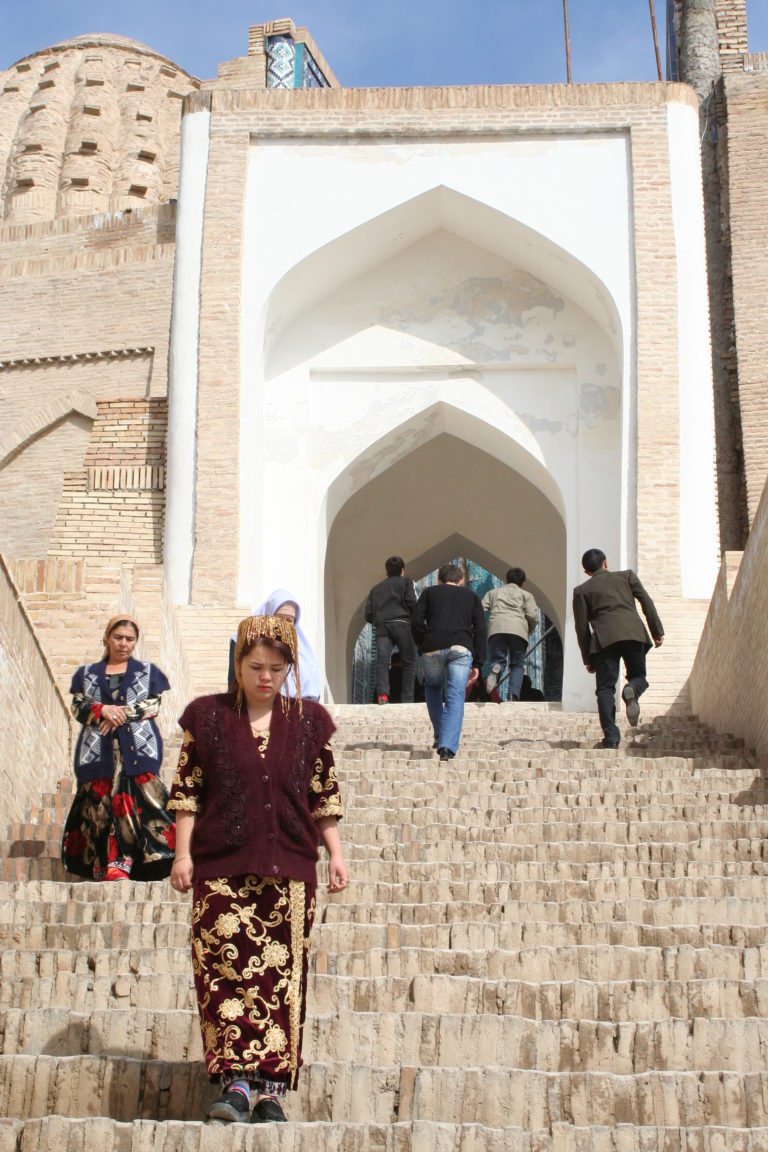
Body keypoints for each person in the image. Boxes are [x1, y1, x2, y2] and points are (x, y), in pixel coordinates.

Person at [169, 614, 348, 1125]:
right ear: (238, 665)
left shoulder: (311, 721)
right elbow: (187, 792)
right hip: (221, 869)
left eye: (275, 668)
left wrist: (335, 853)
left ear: (289, 668)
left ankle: (271, 1089)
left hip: (290, 870)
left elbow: (324, 794)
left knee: (281, 978)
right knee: (225, 971)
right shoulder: (206, 718)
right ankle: (235, 1083)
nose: (264, 677)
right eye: (254, 666)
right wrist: (183, 854)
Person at [61, 615, 174, 881]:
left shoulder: (148, 673)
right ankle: (104, 862)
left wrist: (119, 713)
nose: (123, 644)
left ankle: (129, 861)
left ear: (135, 642)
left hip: (136, 748)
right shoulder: (87, 675)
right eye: (118, 637)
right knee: (98, 802)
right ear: (107, 638)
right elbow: (78, 708)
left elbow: (153, 706)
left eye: (129, 639)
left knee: (136, 799)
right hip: (98, 750)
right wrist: (102, 710)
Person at [572, 548, 664, 748]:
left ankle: (611, 738)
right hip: (633, 633)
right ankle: (632, 689)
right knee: (639, 676)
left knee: (605, 689)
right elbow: (646, 602)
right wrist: (656, 630)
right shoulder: (627, 576)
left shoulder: (581, 590)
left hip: (604, 640)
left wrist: (588, 658)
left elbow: (581, 629)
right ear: (605, 563)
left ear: (587, 572)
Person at [411, 564, 487, 761]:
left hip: (432, 648)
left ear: (438, 580)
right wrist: (478, 662)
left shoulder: (429, 593)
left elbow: (417, 622)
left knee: (433, 688)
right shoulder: (471, 597)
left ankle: (439, 732)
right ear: (461, 580)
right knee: (455, 695)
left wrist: (422, 644)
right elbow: (480, 629)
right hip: (461, 649)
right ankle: (446, 747)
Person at [227, 589, 322, 701]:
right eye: (279, 618)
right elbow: (235, 683)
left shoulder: (303, 653)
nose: (283, 625)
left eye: (289, 620)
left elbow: (311, 693)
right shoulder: (244, 641)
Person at [365, 556, 418, 704]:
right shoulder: (407, 582)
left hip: (382, 627)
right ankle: (407, 699)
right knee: (408, 662)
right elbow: (412, 603)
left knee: (382, 661)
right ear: (402, 570)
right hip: (402, 624)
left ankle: (382, 695)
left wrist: (380, 621)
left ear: (386, 571)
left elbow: (368, 614)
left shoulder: (375, 589)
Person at [482, 567, 538, 701]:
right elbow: (532, 616)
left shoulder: (493, 593)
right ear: (523, 583)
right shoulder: (527, 595)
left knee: (498, 660)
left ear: (506, 580)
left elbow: (480, 609)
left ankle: (496, 668)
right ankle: (513, 695)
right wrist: (529, 630)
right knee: (517, 665)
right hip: (518, 630)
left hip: (496, 629)